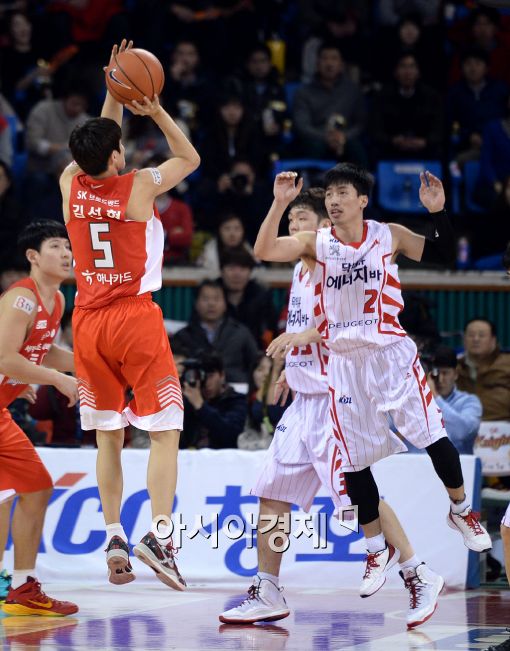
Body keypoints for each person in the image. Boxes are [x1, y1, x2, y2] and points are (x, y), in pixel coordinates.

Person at [252, 164, 492, 608]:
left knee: (430, 434)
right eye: (330, 194)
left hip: (388, 353)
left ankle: (460, 512)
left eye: (343, 193)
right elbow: (263, 249)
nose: (334, 200)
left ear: (362, 200)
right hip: (343, 366)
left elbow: (439, 253)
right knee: (355, 463)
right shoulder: (317, 248)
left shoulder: (389, 234)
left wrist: (438, 211)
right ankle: (369, 554)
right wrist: (280, 202)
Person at [222, 187, 444, 629]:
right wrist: (296, 366)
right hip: (304, 400)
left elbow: (349, 325)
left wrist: (304, 342)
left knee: (360, 499)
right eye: (290, 225)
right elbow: (307, 322)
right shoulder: (302, 274)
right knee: (273, 493)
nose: (292, 232)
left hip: (336, 400)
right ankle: (267, 588)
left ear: (324, 228)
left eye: (299, 223)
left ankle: (419, 573)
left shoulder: (343, 264)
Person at [59, 40, 200, 589]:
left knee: (108, 437)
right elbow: (190, 158)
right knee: (166, 431)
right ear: (117, 157)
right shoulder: (138, 187)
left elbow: (97, 141)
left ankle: (114, 532)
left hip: (88, 322)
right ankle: (160, 536)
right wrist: (152, 105)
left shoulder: (70, 185)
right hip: (133, 318)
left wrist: (113, 89)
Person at [0, 219, 78, 615]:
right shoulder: (21, 299)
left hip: (1, 410)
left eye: (68, 246)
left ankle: (20, 587)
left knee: (35, 486)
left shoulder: (59, 300)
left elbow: (41, 351)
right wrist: (56, 381)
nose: (67, 253)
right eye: (55, 246)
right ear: (33, 256)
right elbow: (6, 356)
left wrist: (91, 366)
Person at [172, 279, 259, 386]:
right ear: (196, 303)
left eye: (216, 299)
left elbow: (255, 364)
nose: (211, 304)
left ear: (225, 303)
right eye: (205, 299)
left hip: (236, 392)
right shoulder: (183, 336)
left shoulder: (241, 333)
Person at [180, 352, 247, 449]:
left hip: (222, 460)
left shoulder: (236, 400)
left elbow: (230, 433)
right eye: (201, 377)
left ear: (222, 375)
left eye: (210, 376)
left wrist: (200, 406)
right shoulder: (189, 400)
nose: (206, 382)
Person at [425, 345, 482, 455]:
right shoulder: (416, 402)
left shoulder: (470, 402)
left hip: (457, 468)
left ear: (455, 374)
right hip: (417, 466)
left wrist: (434, 397)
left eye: (445, 373)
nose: (440, 379)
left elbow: (462, 431)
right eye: (436, 373)